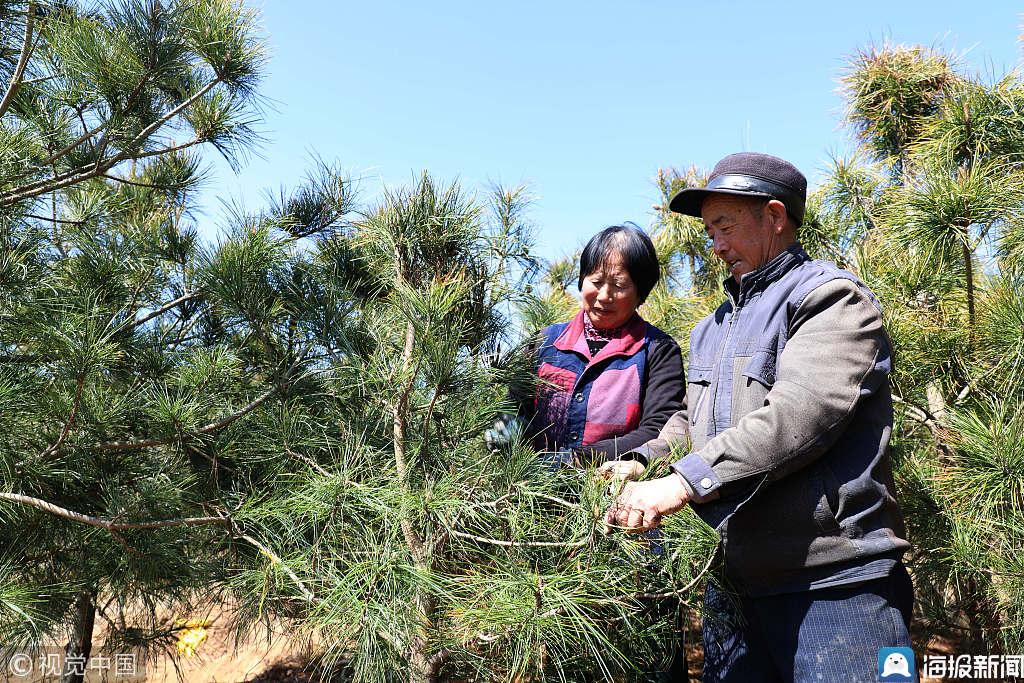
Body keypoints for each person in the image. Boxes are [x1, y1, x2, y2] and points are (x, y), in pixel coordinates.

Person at [604, 153, 915, 682]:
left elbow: (801, 415)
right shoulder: (710, 328)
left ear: (774, 217)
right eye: (709, 231)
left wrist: (684, 481)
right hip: (733, 585)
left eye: (725, 227)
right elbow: (687, 422)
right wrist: (642, 460)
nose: (716, 245)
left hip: (832, 582)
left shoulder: (831, 300)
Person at [513, 224, 685, 478]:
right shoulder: (543, 342)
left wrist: (578, 460)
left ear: (641, 292)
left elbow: (659, 428)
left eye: (619, 285)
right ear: (581, 280)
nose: (605, 295)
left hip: (612, 496)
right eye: (596, 281)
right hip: (527, 495)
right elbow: (511, 412)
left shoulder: (658, 350)